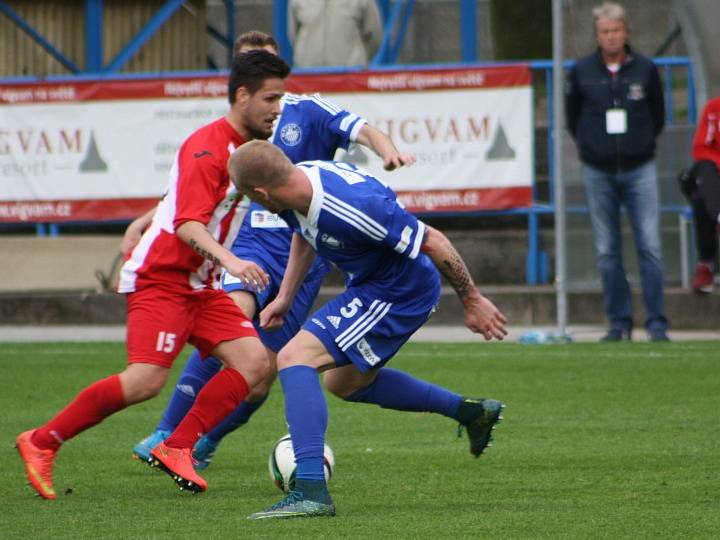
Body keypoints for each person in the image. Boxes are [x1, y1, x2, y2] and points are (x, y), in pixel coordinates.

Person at [128, 30, 416, 470]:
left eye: (266, 65)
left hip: (300, 249)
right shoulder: (231, 132)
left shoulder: (309, 110)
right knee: (234, 316)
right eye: (248, 65)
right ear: (240, 87)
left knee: (262, 369)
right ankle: (167, 432)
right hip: (249, 241)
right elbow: (199, 194)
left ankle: (203, 442)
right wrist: (149, 218)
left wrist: (389, 150)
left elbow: (363, 129)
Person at [15, 50, 291, 499]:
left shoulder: (241, 150)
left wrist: (146, 218)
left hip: (199, 286)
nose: (278, 108)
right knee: (145, 380)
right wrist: (233, 261)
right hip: (162, 279)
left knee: (256, 362)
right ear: (242, 96)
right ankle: (42, 441)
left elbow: (179, 198)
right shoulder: (209, 148)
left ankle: (178, 446)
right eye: (271, 98)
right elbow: (187, 224)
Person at [228, 141, 508, 519]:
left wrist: (472, 300)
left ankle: (311, 489)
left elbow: (434, 241)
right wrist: (285, 297)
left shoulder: (353, 208)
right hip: (372, 285)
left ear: (261, 192)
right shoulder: (294, 185)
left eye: (249, 198)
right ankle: (472, 413)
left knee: (295, 358)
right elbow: (304, 232)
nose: (253, 205)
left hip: (397, 291)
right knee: (345, 384)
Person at [565, 2, 669, 342]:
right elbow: (572, 118)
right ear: (597, 35)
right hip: (598, 171)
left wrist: (638, 144)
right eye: (605, 32)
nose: (611, 37)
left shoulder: (646, 69)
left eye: (616, 31)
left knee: (650, 246)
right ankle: (618, 323)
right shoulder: (581, 71)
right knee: (607, 250)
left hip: (641, 168)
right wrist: (592, 147)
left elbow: (658, 116)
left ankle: (656, 324)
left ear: (626, 32)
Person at [678, 95, 720, 293]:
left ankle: (706, 264)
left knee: (700, 200)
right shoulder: (714, 107)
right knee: (703, 172)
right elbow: (701, 149)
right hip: (714, 177)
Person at [288, 0, 382, 68]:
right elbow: (293, 35)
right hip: (309, 76)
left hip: (350, 77)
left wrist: (357, 61)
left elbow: (373, 35)